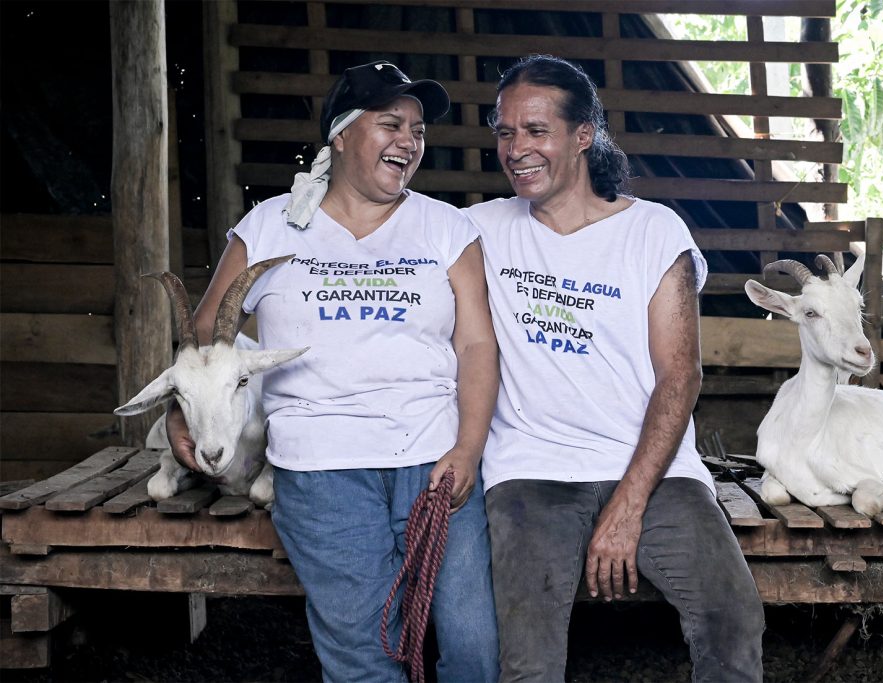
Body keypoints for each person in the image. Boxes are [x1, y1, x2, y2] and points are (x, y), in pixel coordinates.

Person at [166, 60, 500, 683]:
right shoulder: (269, 224)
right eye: (391, 123)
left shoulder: (447, 227)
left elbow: (477, 344)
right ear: (341, 135)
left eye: (419, 130)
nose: (410, 140)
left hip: (434, 461)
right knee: (365, 657)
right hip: (322, 470)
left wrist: (469, 447)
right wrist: (181, 407)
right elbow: (209, 339)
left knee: (474, 649)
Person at [464, 54, 765, 682]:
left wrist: (627, 508)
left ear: (582, 136)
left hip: (656, 472)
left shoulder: (654, 232)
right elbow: (383, 235)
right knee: (527, 657)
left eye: (536, 130)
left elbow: (680, 377)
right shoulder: (479, 229)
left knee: (732, 615)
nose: (517, 148)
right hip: (532, 473)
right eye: (505, 131)